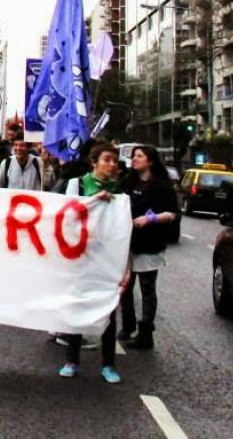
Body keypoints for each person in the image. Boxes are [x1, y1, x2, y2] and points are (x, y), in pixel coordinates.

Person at [59, 142, 126, 384]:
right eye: (107, 159)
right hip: (81, 256)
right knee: (77, 306)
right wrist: (94, 201)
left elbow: (124, 229)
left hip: (108, 258)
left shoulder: (121, 190)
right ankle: (71, 360)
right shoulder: (77, 185)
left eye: (115, 161)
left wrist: (126, 267)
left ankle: (108, 364)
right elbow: (67, 215)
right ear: (94, 162)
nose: (112, 165)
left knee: (109, 311)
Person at [118, 145, 179, 351]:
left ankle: (146, 334)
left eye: (139, 156)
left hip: (149, 244)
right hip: (127, 243)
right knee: (125, 287)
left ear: (150, 161)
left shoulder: (161, 185)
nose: (134, 159)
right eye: (133, 156)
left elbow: (172, 213)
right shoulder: (127, 182)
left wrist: (150, 218)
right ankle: (127, 326)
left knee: (147, 288)